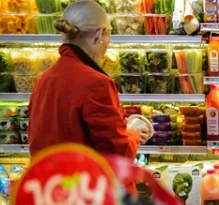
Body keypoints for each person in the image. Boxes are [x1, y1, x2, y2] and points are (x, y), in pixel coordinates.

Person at [28, 0, 149, 191]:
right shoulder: (96, 83)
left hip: (53, 192)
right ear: (100, 35)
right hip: (93, 198)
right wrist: (133, 133)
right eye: (109, 34)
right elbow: (119, 153)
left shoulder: (44, 79)